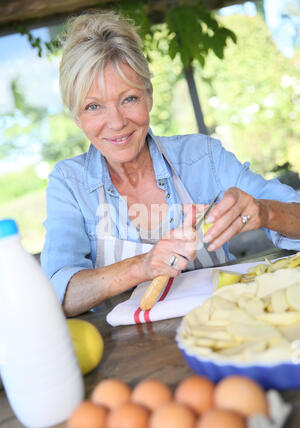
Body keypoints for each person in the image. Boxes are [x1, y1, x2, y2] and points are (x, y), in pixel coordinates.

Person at [41, 10, 300, 317]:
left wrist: (265, 211)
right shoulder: (70, 183)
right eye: (93, 106)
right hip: (134, 358)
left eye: (129, 99)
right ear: (77, 117)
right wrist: (143, 266)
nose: (116, 122)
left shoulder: (202, 158)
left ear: (149, 98)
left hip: (225, 329)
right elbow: (58, 294)